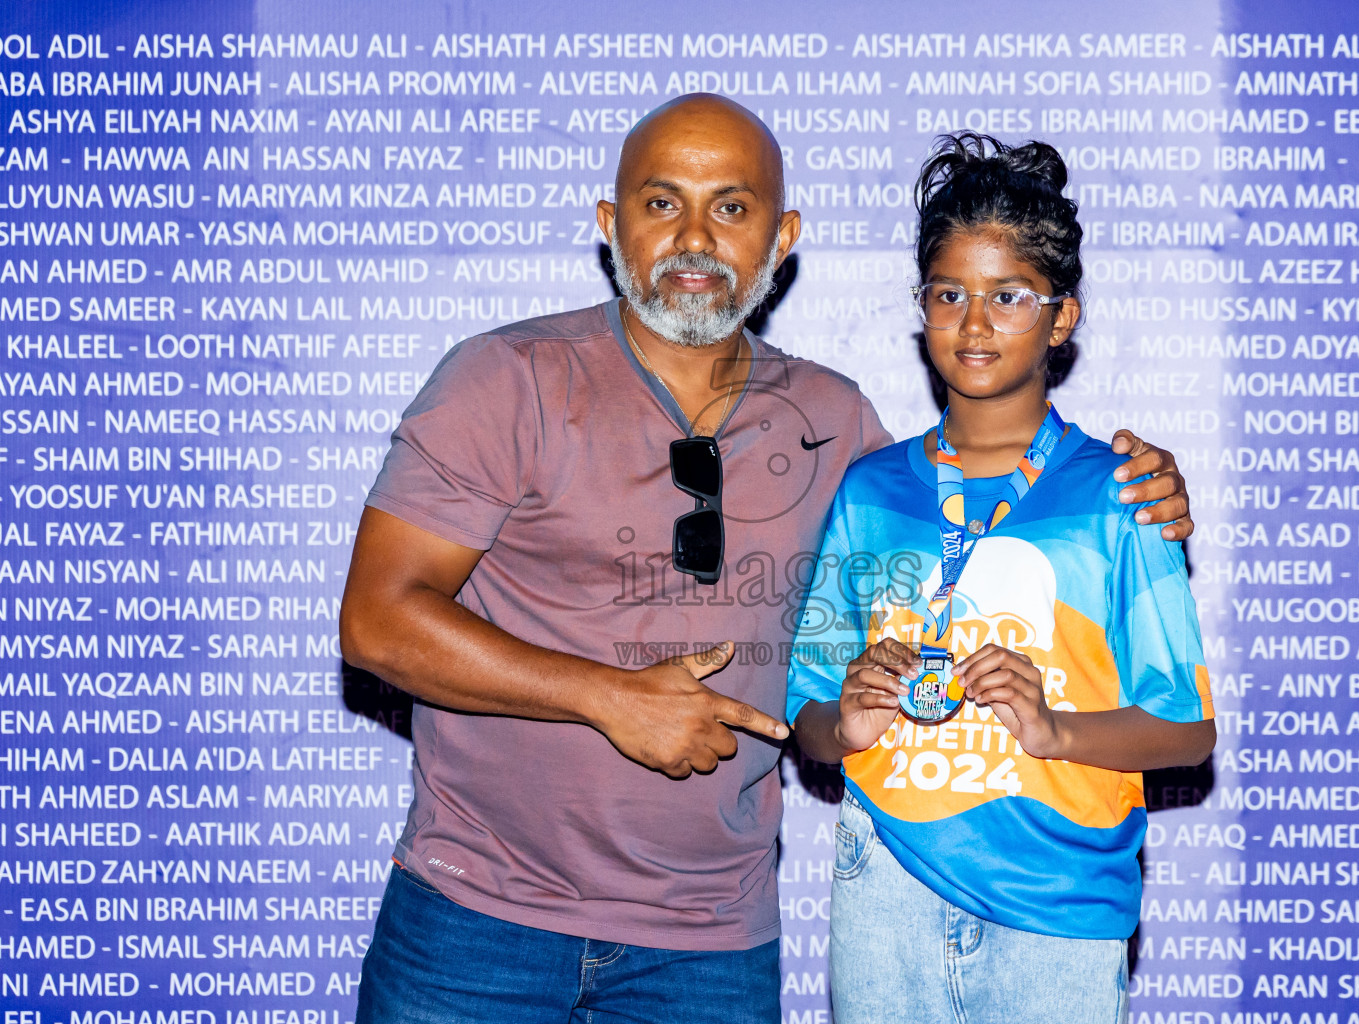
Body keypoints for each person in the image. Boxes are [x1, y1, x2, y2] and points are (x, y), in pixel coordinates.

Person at [339, 97, 1195, 1024]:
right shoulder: (507, 378)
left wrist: (1135, 488)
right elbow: (377, 621)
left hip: (709, 947)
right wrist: (604, 694)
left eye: (733, 207)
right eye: (663, 203)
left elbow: (971, 519)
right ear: (608, 225)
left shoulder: (839, 428)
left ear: (782, 237)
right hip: (473, 922)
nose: (696, 237)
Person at [786, 133, 1217, 1024]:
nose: (974, 325)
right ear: (921, 308)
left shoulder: (1121, 494)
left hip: (1056, 899)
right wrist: (845, 717)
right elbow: (810, 718)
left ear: (1062, 318)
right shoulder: (872, 490)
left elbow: (1186, 730)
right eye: (949, 295)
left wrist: (1054, 727)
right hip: (887, 882)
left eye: (1009, 297)